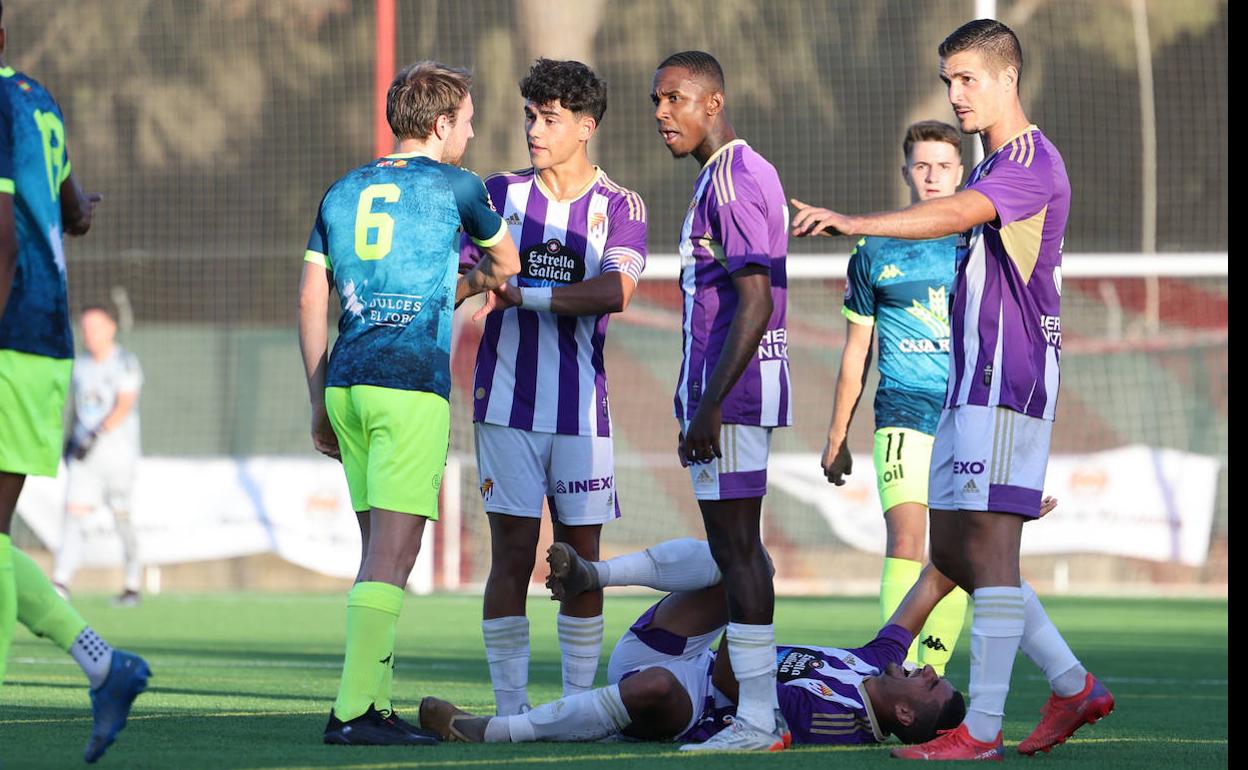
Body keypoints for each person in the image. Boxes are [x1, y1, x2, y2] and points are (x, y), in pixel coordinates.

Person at [790, 19, 1113, 760]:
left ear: (1008, 79)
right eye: (948, 80)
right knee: (955, 552)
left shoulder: (1030, 161)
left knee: (990, 556)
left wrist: (855, 221)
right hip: (966, 391)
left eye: (968, 78)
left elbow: (957, 214)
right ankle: (1072, 685)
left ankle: (984, 731)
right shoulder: (993, 165)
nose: (956, 93)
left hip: (1009, 380)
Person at [298, 60, 520, 746]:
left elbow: (313, 298)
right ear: (441, 122)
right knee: (394, 558)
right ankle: (352, 713)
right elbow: (507, 265)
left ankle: (374, 702)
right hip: (407, 385)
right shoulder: (459, 187)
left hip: (346, 383)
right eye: (468, 119)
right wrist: (478, 280)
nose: (473, 130)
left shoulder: (342, 189)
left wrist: (316, 398)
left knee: (376, 554)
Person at [461, 58, 647, 716]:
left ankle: (573, 706)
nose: (535, 131)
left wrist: (519, 292)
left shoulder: (620, 206)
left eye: (550, 119)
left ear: (585, 127)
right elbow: (461, 282)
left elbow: (613, 292)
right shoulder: (494, 197)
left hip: (581, 415)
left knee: (579, 560)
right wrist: (472, 285)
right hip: (505, 405)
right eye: (530, 118)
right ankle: (511, 710)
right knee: (512, 554)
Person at [418, 538, 965, 748]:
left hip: (690, 701)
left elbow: (733, 684)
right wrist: (994, 528)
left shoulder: (837, 720)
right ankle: (595, 574)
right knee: (750, 563)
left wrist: (746, 619)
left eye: (932, 686)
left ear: (902, 710)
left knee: (660, 679)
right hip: (684, 651)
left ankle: (492, 730)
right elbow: (932, 582)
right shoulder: (877, 663)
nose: (929, 671)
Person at [0, 2, 150, 762]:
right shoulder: (35, 99)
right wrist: (77, 211)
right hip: (41, 337)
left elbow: (2, 226)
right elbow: (71, 212)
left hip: (11, 334)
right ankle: (104, 664)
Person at [650, 50, 791, 752]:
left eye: (674, 98)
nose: (661, 113)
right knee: (735, 548)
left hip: (731, 398)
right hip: (726, 396)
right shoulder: (726, 176)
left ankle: (758, 718)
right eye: (656, 101)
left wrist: (709, 404)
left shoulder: (733, 176)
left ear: (713, 102)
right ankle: (754, 712)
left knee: (736, 552)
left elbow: (756, 300)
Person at [823, 120, 968, 675]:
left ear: (961, 173)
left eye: (944, 167)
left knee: (954, 553)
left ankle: (932, 678)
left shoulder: (975, 244)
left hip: (962, 414)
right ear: (906, 171)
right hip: (902, 410)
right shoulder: (872, 249)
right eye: (922, 166)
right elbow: (855, 353)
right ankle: (894, 672)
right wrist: (837, 437)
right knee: (908, 539)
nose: (932, 176)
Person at [53, 304, 145, 606]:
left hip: (118, 458)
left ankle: (132, 583)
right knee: (73, 517)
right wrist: (71, 441)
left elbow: (123, 405)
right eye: (85, 328)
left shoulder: (125, 363)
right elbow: (78, 411)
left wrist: (95, 435)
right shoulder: (80, 366)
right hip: (85, 460)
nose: (89, 334)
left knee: (122, 520)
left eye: (95, 327)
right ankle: (61, 582)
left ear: (111, 328)